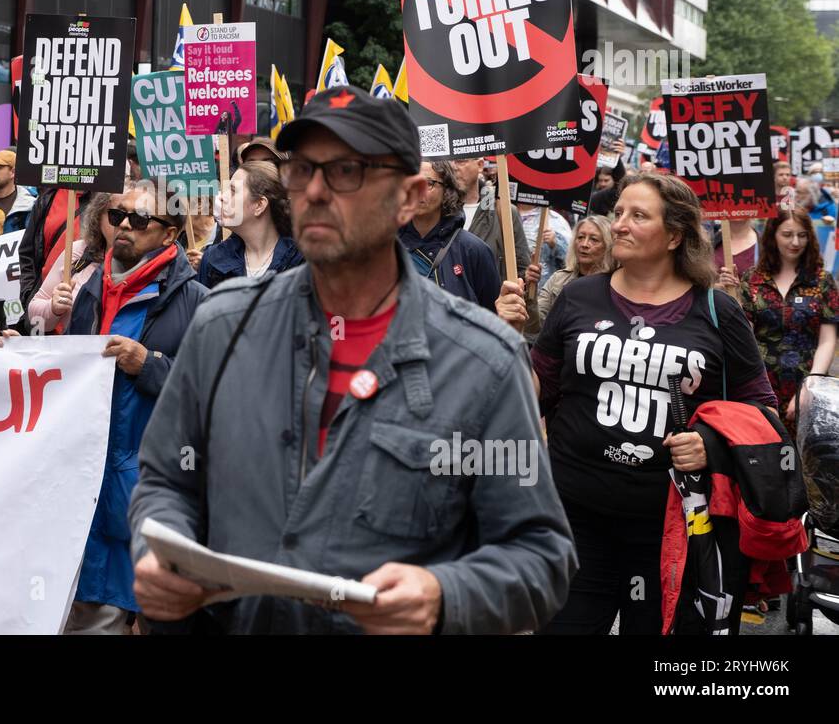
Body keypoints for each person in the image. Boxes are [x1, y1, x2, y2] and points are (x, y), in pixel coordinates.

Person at [129, 87, 575, 634]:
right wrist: (161, 553)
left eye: (345, 171)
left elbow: (540, 557)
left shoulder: (483, 362)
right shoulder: (223, 326)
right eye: (302, 170)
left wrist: (443, 594)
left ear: (409, 197)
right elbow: (166, 480)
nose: (314, 191)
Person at [532, 172, 777, 634]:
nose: (619, 224)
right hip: (573, 519)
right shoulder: (578, 295)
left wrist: (711, 445)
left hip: (672, 532)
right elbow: (536, 390)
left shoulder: (716, 311)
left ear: (674, 236)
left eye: (638, 215)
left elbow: (762, 412)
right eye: (618, 212)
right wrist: (503, 339)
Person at [0, 182, 208, 633]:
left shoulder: (196, 304)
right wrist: (20, 351)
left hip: (150, 486)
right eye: (118, 216)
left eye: (141, 220)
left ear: (169, 235)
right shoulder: (90, 287)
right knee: (91, 610)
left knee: (157, 615)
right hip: (87, 477)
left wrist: (147, 365)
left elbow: (209, 393)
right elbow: (66, 365)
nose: (125, 226)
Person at [734, 209, 839, 440]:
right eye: (788, 234)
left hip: (809, 380)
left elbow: (828, 339)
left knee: (807, 461)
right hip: (760, 385)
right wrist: (729, 296)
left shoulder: (822, 281)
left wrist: (810, 387)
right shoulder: (752, 279)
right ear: (773, 235)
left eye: (802, 235)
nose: (795, 242)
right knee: (763, 457)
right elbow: (744, 337)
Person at [398, 160, 501, 313]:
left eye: (428, 183)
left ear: (447, 190)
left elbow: (492, 319)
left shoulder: (473, 250)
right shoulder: (386, 248)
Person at [24, 190, 118, 334]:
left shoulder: (154, 267)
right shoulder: (79, 252)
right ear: (99, 217)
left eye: (137, 217)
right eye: (116, 215)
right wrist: (53, 308)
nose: (125, 224)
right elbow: (35, 318)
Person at [196, 161, 302, 289]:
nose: (223, 197)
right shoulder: (212, 259)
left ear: (259, 205)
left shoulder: (300, 260)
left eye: (233, 190)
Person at [450, 155, 530, 278]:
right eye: (449, 162)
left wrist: (528, 279)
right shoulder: (438, 211)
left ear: (480, 165)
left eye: (460, 161)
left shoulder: (505, 212)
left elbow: (522, 269)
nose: (453, 167)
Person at [536, 215, 614, 324]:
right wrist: (530, 290)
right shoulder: (558, 279)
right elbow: (534, 325)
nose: (584, 244)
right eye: (580, 237)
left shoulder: (615, 285)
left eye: (594, 239)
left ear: (608, 246)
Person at [518, 203, 572, 276]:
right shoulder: (503, 212)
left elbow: (571, 260)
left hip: (542, 283)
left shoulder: (555, 220)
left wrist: (555, 243)